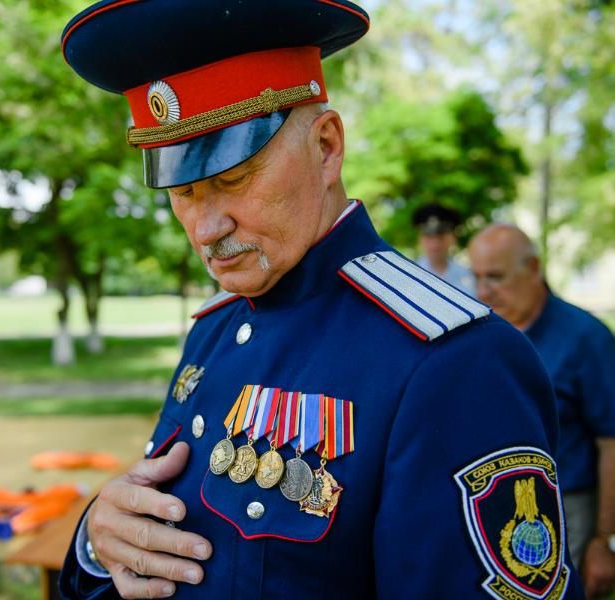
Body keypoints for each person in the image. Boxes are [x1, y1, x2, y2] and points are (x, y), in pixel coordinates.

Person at [58, 1, 583, 598]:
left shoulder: (456, 361)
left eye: (233, 179)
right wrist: (99, 545)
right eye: (183, 192)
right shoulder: (215, 327)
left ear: (327, 147)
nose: (205, 228)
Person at [469, 224, 615, 598]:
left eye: (495, 277)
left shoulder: (585, 338)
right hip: (489, 503)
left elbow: (611, 443)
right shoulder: (478, 335)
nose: (483, 290)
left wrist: (605, 540)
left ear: (533, 268)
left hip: (568, 508)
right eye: (477, 277)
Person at [412, 203, 476, 296]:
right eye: (428, 237)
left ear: (453, 237)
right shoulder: (410, 274)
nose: (434, 244)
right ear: (420, 238)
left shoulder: (469, 277)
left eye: (441, 237)